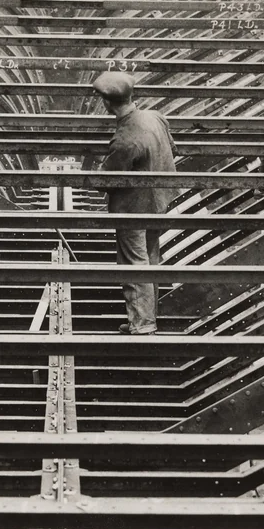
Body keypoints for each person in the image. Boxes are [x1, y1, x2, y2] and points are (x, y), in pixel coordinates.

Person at [92, 71, 177, 336]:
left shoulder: (125, 139)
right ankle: (149, 316)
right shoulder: (155, 117)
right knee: (151, 258)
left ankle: (143, 324)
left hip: (134, 209)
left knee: (134, 264)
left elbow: (106, 181)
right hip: (160, 200)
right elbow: (172, 148)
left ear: (107, 102)